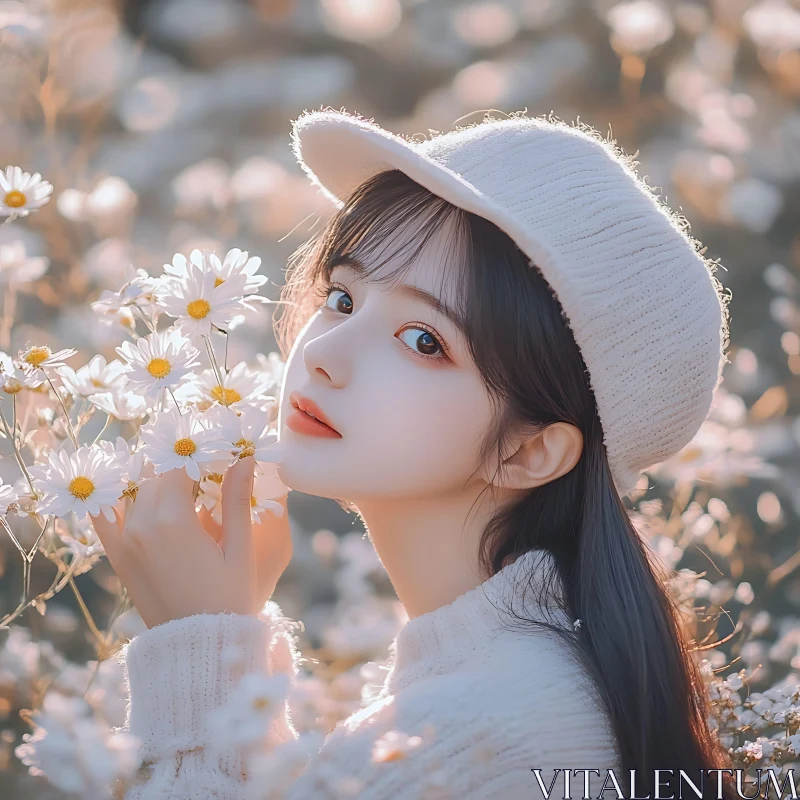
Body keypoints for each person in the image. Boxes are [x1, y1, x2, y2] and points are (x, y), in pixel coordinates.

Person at [91, 108, 736, 799]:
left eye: (424, 341)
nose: (325, 354)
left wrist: (199, 655)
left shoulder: (460, 733)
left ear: (530, 450)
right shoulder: (514, 685)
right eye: (342, 296)